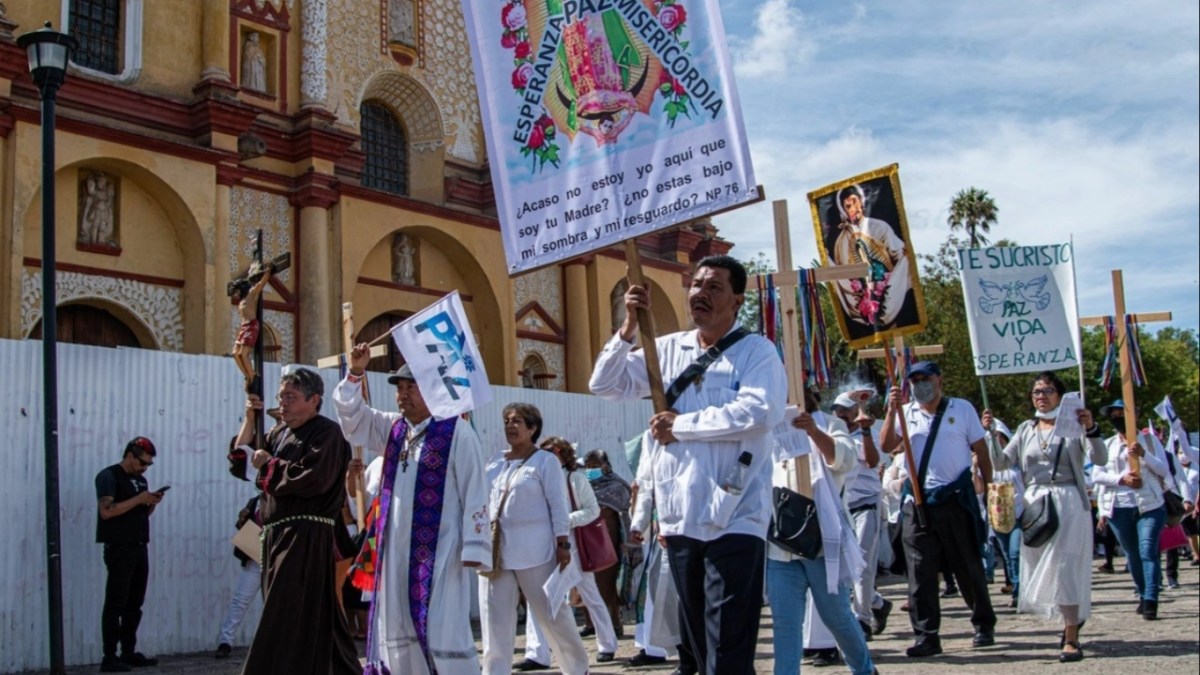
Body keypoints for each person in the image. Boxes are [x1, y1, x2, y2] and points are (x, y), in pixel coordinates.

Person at [590, 254, 787, 674]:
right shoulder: (665, 348)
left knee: (728, 648)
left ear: (736, 300)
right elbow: (604, 384)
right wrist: (628, 326)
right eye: (696, 285)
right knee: (696, 647)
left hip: (735, 516)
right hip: (681, 519)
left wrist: (684, 426)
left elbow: (759, 412)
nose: (700, 293)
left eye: (714, 286)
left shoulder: (757, 352)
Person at [334, 347, 491, 675]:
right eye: (399, 389)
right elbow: (353, 419)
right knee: (397, 620)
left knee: (440, 622)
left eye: (411, 387)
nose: (403, 395)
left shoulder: (456, 432)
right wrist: (355, 374)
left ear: (433, 390)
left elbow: (475, 490)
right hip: (394, 549)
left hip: (442, 548)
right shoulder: (393, 429)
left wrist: (476, 546)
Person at [241, 367, 360, 675]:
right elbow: (246, 456)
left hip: (305, 534)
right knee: (311, 612)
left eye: (291, 397)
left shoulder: (327, 433)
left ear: (314, 400)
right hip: (275, 535)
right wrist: (249, 416)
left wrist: (270, 465)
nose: (284, 403)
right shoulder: (280, 433)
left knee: (287, 610)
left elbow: (314, 479)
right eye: (282, 396)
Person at [985, 371, 1105, 662]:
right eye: (1036, 391)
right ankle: (1071, 616)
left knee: (1064, 568)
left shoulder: (1072, 425)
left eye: (1048, 390)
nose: (1041, 396)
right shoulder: (1026, 428)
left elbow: (1099, 459)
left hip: (1069, 501)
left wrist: (1091, 428)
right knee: (1041, 567)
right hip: (1035, 503)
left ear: (1060, 396)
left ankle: (1071, 637)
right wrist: (989, 433)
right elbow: (1001, 461)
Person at [879, 361, 996, 657]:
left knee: (967, 565)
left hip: (955, 499)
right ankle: (926, 635)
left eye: (925, 378)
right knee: (920, 573)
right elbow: (886, 445)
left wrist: (990, 487)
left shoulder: (961, 408)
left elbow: (980, 449)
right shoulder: (906, 413)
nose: (920, 384)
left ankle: (983, 622)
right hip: (917, 502)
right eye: (914, 380)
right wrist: (892, 410)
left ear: (939, 379)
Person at [766, 394, 878, 675]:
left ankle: (864, 669)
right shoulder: (767, 428)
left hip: (821, 540)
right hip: (782, 544)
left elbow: (844, 461)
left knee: (836, 616)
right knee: (785, 622)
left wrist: (813, 432)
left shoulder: (830, 424)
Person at [480, 403, 590, 675]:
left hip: (536, 551)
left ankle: (577, 668)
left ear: (532, 428)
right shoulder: (494, 462)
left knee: (552, 614)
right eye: (507, 420)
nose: (510, 425)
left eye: (517, 421)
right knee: (494, 618)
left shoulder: (545, 461)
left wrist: (562, 544)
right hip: (496, 552)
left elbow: (558, 506)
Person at [520, 438, 618, 669]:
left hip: (573, 546)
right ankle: (537, 653)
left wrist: (562, 522)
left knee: (589, 596)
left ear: (562, 456)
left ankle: (607, 644)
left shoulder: (575, 479)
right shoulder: (536, 478)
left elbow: (592, 511)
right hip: (544, 546)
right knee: (539, 597)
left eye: (551, 453)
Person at [1093, 399, 1169, 620]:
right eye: (1114, 414)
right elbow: (1097, 475)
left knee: (1148, 551)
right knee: (1133, 554)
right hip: (1120, 506)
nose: (1118, 418)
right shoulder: (1107, 445)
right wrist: (1121, 479)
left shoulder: (1150, 441)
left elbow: (1164, 470)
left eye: (1122, 413)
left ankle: (1152, 599)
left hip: (1150, 505)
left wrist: (1144, 454)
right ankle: (1143, 592)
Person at [95, 437, 165, 673]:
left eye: (148, 466)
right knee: (116, 602)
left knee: (134, 603)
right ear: (130, 455)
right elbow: (107, 511)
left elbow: (138, 515)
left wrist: (151, 502)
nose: (145, 468)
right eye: (143, 463)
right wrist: (139, 499)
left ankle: (128, 651)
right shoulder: (109, 476)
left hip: (138, 545)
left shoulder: (140, 481)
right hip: (119, 547)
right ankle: (109, 656)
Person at [831, 392, 894, 639]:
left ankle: (862, 620)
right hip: (843, 508)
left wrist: (866, 431)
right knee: (847, 568)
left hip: (866, 505)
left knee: (862, 567)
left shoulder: (867, 434)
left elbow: (871, 461)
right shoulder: (835, 435)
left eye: (846, 410)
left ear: (856, 411)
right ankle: (877, 603)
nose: (841, 415)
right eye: (838, 410)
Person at [828, 184, 915, 336]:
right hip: (859, 295)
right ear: (843, 209)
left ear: (861, 202)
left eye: (855, 203)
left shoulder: (879, 227)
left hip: (887, 287)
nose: (853, 208)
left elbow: (898, 253)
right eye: (848, 206)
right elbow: (841, 270)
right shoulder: (842, 239)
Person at [582, 448, 632, 639]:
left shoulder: (618, 486)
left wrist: (628, 544)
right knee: (585, 586)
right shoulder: (582, 486)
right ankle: (590, 624)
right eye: (587, 466)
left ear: (606, 466)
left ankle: (615, 623)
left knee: (608, 586)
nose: (590, 470)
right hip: (586, 543)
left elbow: (626, 516)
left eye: (595, 466)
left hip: (609, 543)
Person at [214, 495, 261, 659]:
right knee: (241, 600)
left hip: (275, 558)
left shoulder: (286, 500)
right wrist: (241, 520)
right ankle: (225, 641)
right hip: (254, 557)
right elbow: (244, 526)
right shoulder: (255, 501)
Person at [231, 264, 271, 389]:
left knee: (243, 354)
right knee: (235, 353)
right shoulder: (242, 300)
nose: (236, 293)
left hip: (251, 326)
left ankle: (252, 375)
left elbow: (260, 285)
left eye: (237, 290)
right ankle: (247, 375)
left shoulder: (251, 294)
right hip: (244, 327)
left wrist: (267, 273)